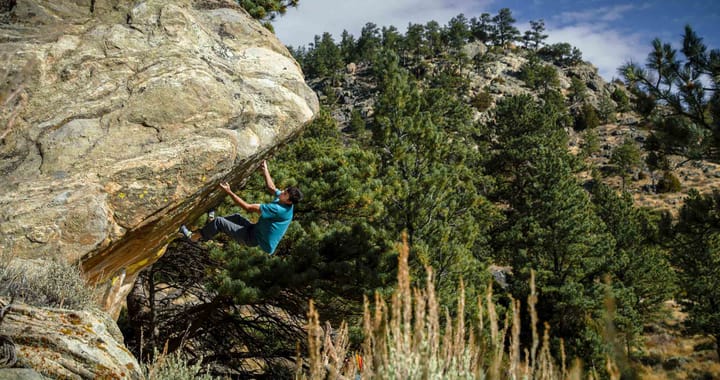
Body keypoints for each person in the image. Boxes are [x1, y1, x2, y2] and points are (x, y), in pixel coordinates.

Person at [180, 160, 302, 255]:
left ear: (289, 202)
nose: (282, 192)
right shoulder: (284, 201)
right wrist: (265, 170)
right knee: (236, 217)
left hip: (251, 238)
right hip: (255, 229)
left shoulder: (278, 210)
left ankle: (193, 237)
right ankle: (211, 225)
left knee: (220, 222)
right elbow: (272, 188)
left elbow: (248, 208)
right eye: (285, 190)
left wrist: (229, 192)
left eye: (285, 193)